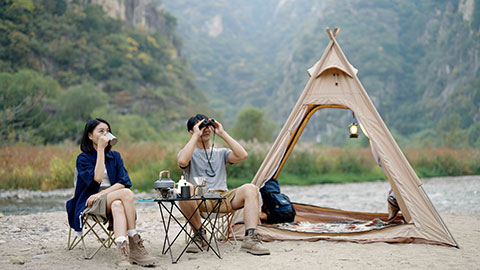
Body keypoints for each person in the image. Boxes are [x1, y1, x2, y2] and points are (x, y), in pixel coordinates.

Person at [66, 118, 156, 267]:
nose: (105, 134)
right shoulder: (83, 158)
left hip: (106, 197)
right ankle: (134, 241)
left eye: (107, 131)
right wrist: (100, 149)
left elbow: (124, 182)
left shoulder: (115, 156)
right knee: (126, 194)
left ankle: (122, 252)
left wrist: (101, 194)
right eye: (101, 131)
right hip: (89, 202)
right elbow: (98, 179)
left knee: (118, 204)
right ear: (90, 135)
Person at [177, 114, 270, 256]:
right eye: (201, 126)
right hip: (199, 199)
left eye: (208, 126)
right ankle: (199, 235)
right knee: (185, 189)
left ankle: (250, 238)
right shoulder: (188, 152)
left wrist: (221, 133)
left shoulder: (221, 153)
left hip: (223, 198)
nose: (206, 129)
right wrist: (196, 135)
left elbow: (242, 155)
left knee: (251, 188)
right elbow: (183, 161)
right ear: (191, 131)